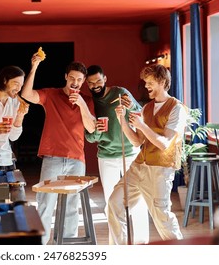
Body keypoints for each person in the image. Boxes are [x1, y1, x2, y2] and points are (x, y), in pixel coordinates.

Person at [21, 52, 96, 245]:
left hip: (76, 159)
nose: (75, 82)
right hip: (52, 158)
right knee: (46, 203)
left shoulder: (86, 101)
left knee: (72, 206)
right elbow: (26, 94)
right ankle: (41, 245)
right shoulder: (52, 95)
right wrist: (35, 67)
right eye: (72, 78)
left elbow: (91, 128)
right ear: (65, 77)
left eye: (79, 79)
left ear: (83, 81)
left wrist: (81, 105)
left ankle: (66, 247)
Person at [108, 64, 186, 244]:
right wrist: (122, 120)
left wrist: (142, 125)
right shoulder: (147, 108)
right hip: (139, 166)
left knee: (162, 218)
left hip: (160, 170)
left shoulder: (177, 108)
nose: (146, 86)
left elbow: (164, 143)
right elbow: (137, 141)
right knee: (114, 203)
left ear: (162, 82)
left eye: (150, 82)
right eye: (145, 82)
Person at [84, 65, 150, 244]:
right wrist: (97, 130)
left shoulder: (120, 92)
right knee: (111, 202)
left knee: (137, 198)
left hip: (130, 152)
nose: (95, 85)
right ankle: (117, 244)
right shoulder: (90, 104)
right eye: (90, 83)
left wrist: (132, 105)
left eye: (98, 80)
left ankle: (142, 242)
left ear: (105, 79)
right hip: (106, 156)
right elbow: (90, 137)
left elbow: (139, 114)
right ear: (87, 85)